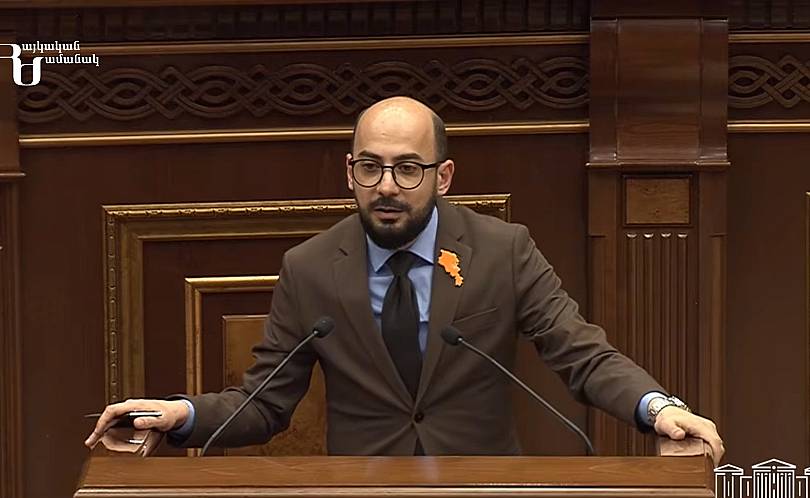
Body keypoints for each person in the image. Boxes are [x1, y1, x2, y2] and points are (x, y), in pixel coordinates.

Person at [85, 96, 725, 463]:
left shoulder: (502, 251)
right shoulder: (310, 268)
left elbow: (581, 355)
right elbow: (265, 404)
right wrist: (178, 415)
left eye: (408, 169)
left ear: (443, 177)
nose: (387, 186)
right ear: (350, 172)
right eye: (371, 168)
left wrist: (660, 409)